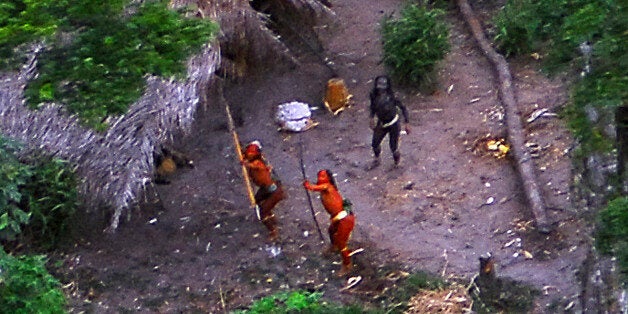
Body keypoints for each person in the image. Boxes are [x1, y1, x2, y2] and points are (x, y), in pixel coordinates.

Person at [303, 169, 356, 276]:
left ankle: (347, 264)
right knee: (331, 231)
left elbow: (314, 188)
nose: (320, 179)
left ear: (328, 178)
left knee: (342, 243)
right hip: (337, 218)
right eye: (319, 177)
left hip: (344, 219)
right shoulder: (324, 189)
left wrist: (308, 185)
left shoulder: (327, 186)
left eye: (323, 177)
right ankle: (334, 246)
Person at [241, 141, 285, 242]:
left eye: (252, 152)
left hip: (274, 190)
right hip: (265, 188)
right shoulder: (251, 159)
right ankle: (272, 217)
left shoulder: (259, 163)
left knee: (262, 212)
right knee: (257, 201)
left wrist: (245, 163)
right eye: (248, 151)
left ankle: (273, 231)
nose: (249, 153)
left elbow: (253, 166)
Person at [368, 75, 410, 168]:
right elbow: (372, 107)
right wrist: (371, 117)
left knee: (393, 147)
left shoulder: (393, 97)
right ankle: (377, 158)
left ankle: (397, 163)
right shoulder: (373, 95)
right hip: (382, 123)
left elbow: (403, 108)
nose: (381, 91)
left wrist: (407, 123)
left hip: (393, 123)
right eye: (379, 88)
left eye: (383, 89)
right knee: (375, 143)